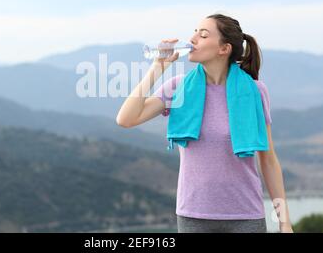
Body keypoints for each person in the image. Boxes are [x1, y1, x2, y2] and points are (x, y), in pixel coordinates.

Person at [116, 14, 293, 233]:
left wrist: (284, 222)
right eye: (194, 32)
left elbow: (269, 162)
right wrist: (157, 68)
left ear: (224, 49)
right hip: (193, 217)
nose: (192, 39)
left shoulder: (255, 91)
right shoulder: (177, 87)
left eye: (203, 35)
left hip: (245, 216)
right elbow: (126, 119)